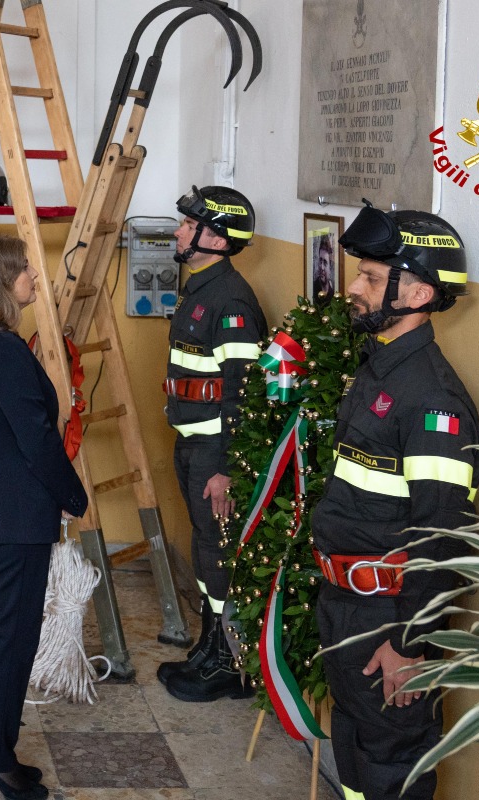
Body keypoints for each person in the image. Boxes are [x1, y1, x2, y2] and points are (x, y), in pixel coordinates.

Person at [312, 203, 479, 800]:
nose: (353, 289)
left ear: (417, 295)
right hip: (346, 604)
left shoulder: (433, 402)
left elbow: (442, 539)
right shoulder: (378, 371)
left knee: (392, 764)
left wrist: (410, 647)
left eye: (371, 279)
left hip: (388, 619)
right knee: (355, 753)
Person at [0, 235, 88, 800]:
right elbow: (34, 436)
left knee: (2, 635)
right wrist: (73, 496)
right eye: (24, 268)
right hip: (14, 510)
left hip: (3, 505)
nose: (33, 274)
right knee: (7, 638)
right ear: (1, 282)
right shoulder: (0, 349)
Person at [157, 185, 267, 702]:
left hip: (213, 452)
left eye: (188, 225)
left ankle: (230, 663)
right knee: (206, 549)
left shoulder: (233, 300)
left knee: (219, 551)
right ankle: (211, 644)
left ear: (216, 238)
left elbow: (244, 394)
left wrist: (225, 468)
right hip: (191, 441)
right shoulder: (199, 287)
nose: (179, 231)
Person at [313, 232, 336, 301]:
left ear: (330, 267)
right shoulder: (313, 288)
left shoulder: (333, 293)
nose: (322, 267)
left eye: (325, 263)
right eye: (320, 261)